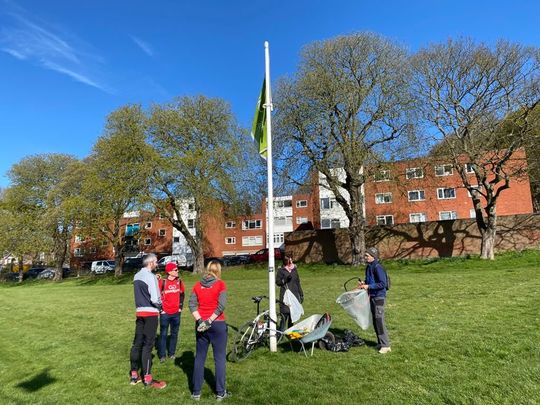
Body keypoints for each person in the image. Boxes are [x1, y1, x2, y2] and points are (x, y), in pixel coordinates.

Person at [189, 260, 230, 401]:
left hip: (201, 325)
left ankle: (196, 392)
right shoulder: (220, 284)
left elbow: (192, 305)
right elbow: (221, 306)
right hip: (217, 324)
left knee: (199, 357)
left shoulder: (197, 285)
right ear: (218, 270)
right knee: (219, 359)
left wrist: (201, 321)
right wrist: (209, 321)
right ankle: (220, 392)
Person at [128, 253, 167, 389]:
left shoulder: (137, 275)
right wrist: (161, 307)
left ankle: (134, 375)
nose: (157, 264)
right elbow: (155, 298)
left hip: (139, 312)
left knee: (137, 343)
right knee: (148, 345)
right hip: (150, 314)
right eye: (156, 262)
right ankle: (148, 378)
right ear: (150, 263)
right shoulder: (150, 277)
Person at [358, 247, 391, 354]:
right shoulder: (369, 267)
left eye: (367, 255)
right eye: (365, 255)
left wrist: (369, 286)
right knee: (376, 321)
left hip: (379, 297)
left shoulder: (378, 267)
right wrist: (364, 283)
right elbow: (370, 280)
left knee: (379, 321)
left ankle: (386, 345)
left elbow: (383, 284)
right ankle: (380, 343)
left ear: (373, 256)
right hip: (372, 296)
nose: (365, 257)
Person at [158, 262, 185, 363]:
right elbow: (157, 296)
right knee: (163, 334)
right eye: (176, 270)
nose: (178, 271)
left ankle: (172, 353)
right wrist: (161, 309)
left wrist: (180, 307)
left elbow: (182, 294)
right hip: (165, 313)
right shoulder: (163, 282)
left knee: (174, 334)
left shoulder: (179, 282)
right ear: (169, 272)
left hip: (176, 313)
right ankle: (162, 356)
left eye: (177, 269)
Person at [276, 255, 303, 331]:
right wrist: (285, 280)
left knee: (292, 316)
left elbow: (298, 282)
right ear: (286, 262)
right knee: (284, 316)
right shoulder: (281, 270)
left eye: (291, 260)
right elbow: (278, 282)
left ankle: (290, 333)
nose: (291, 262)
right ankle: (280, 334)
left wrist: (301, 294)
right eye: (289, 261)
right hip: (285, 296)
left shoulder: (294, 270)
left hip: (294, 295)